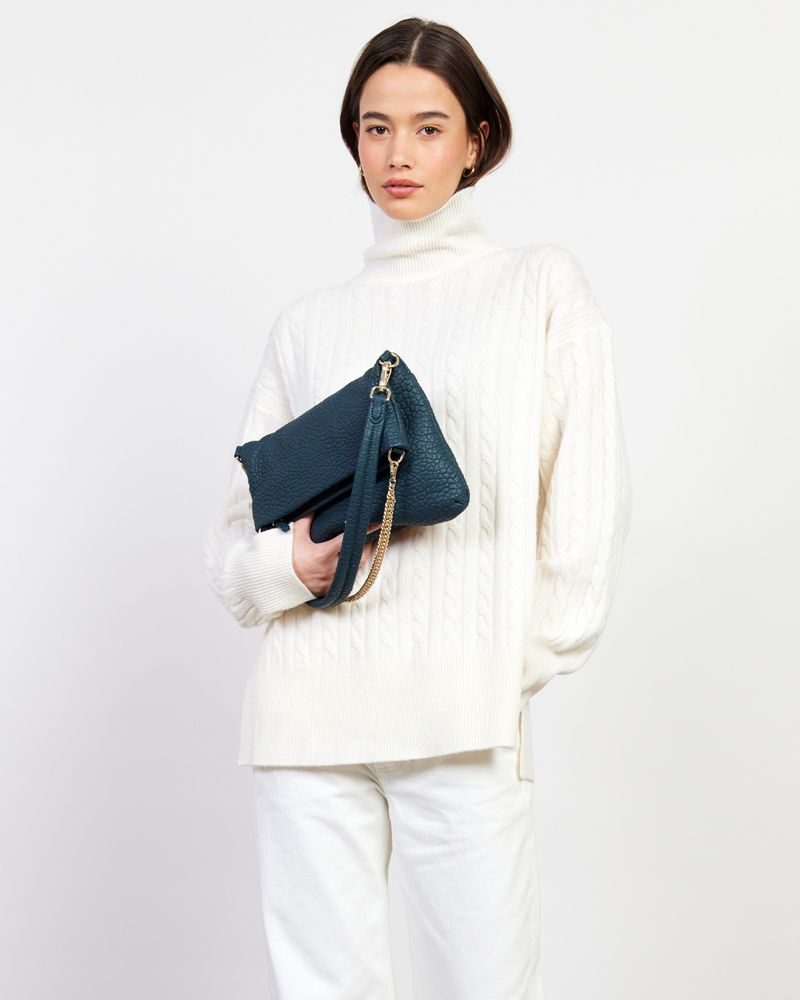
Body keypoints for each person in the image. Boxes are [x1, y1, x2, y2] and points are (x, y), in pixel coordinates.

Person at [203, 16, 633, 1000]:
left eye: (428, 127)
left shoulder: (536, 285)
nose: (398, 154)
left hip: (462, 716)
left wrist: (506, 668)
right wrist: (290, 568)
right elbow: (231, 546)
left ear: (476, 140)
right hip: (306, 723)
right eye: (376, 127)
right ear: (353, 142)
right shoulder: (307, 324)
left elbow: (587, 504)